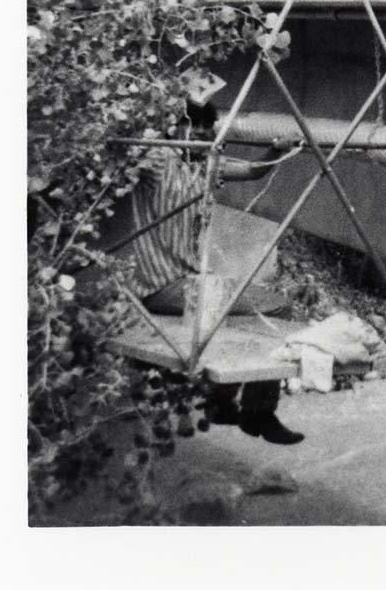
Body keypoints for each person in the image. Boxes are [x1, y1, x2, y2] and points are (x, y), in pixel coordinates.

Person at [120, 121, 305, 446]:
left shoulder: (203, 166)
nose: (207, 139)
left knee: (245, 310)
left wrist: (275, 150)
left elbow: (251, 170)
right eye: (196, 130)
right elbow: (126, 148)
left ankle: (221, 404)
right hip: (163, 286)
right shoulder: (159, 159)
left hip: (192, 285)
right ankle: (258, 414)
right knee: (278, 307)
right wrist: (151, 122)